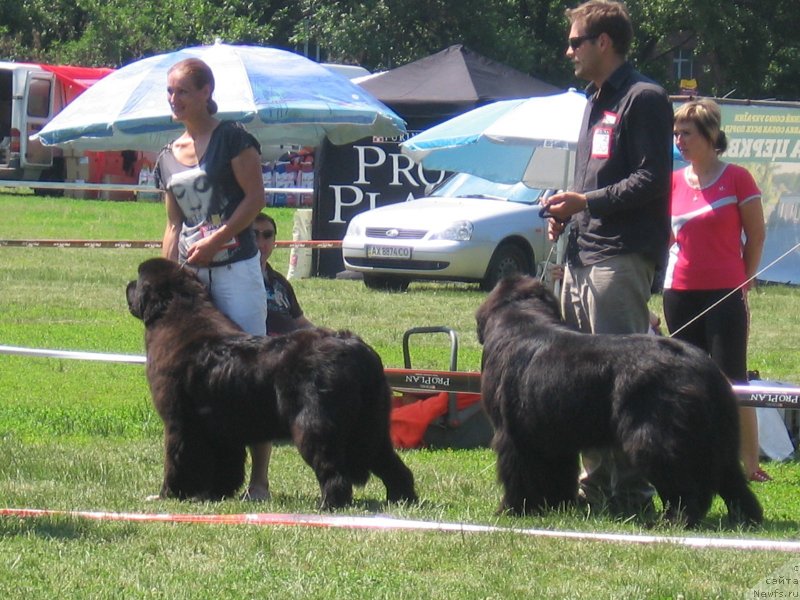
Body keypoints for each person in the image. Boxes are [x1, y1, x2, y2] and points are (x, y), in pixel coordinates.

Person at [542, 0, 674, 515]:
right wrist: (567, 212)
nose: (568, 51)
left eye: (575, 41)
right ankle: (592, 490)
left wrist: (586, 202)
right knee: (585, 385)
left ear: (604, 42)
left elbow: (651, 179)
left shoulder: (645, 97)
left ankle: (633, 496)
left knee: (626, 383)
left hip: (620, 258)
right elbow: (594, 179)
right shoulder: (594, 100)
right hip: (583, 254)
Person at [153, 57, 269, 500]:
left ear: (206, 92)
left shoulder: (233, 139)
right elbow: (173, 225)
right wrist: (167, 280)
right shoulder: (167, 156)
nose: (174, 99)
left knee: (252, 370)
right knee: (193, 377)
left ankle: (259, 481)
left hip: (237, 269)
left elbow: (255, 199)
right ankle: (197, 478)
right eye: (170, 92)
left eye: (182, 91)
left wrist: (218, 239)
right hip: (193, 276)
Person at [664, 98, 769, 482]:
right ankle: (691, 458)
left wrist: (746, 277)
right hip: (679, 291)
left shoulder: (738, 177)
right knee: (685, 380)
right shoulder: (673, 182)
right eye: (676, 134)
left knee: (732, 379)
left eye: (686, 133)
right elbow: (667, 239)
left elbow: (756, 235)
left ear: (710, 135)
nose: (679, 141)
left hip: (725, 291)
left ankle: (749, 464)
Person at [253, 212, 313, 334]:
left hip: (290, 342)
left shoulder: (280, 282)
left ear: (274, 241)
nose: (260, 243)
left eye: (267, 235)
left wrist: (327, 336)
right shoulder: (233, 280)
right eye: (254, 235)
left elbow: (301, 322)